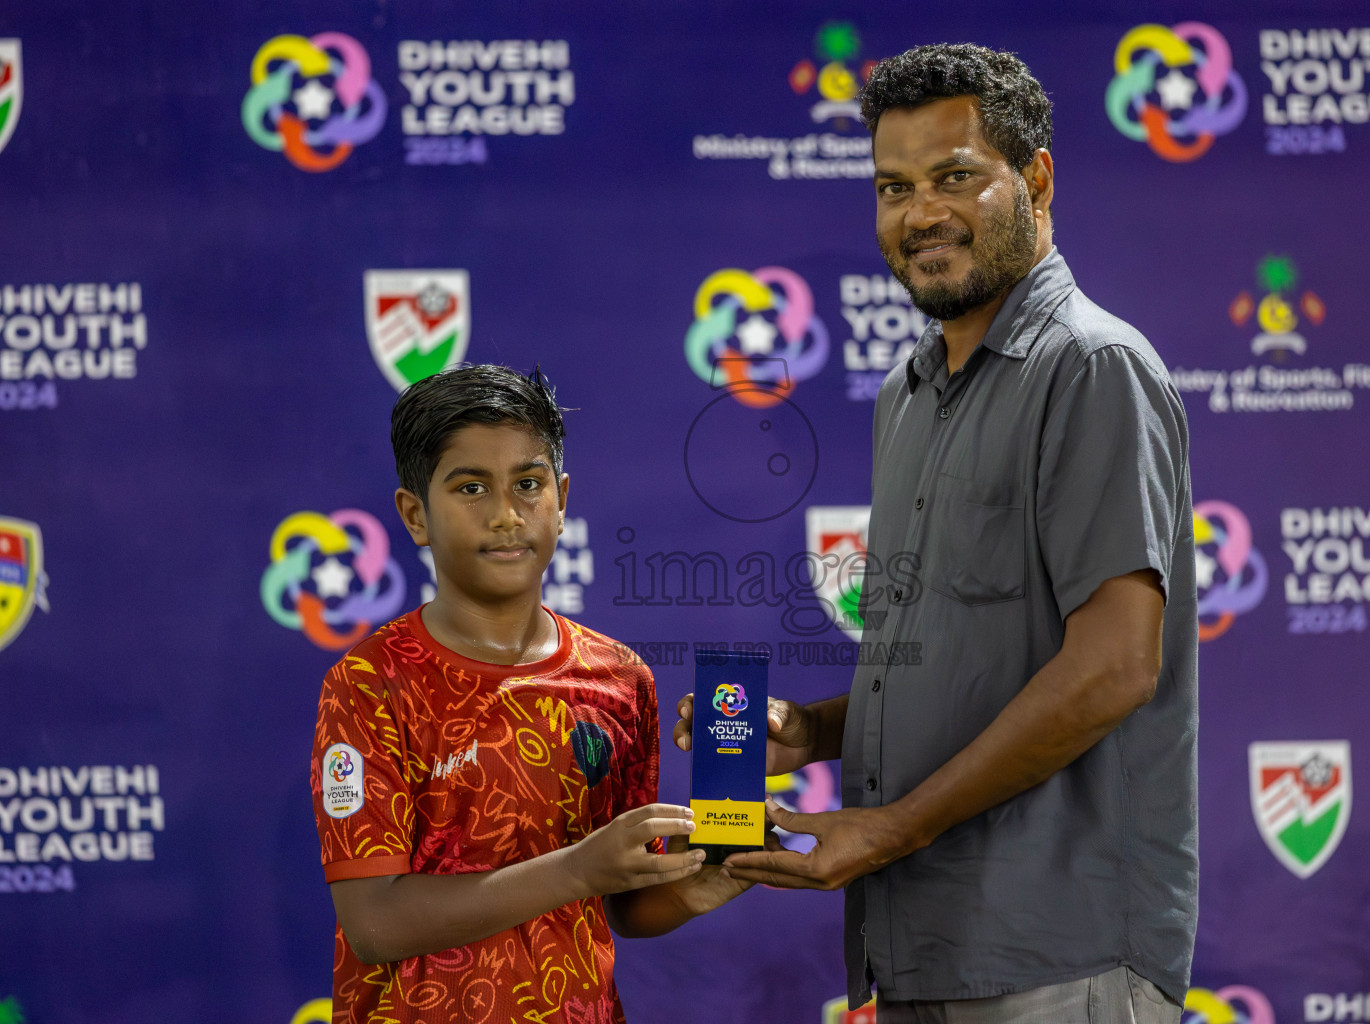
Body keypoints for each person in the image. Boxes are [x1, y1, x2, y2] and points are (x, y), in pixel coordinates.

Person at [675, 44, 1198, 1023]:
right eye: (893, 186)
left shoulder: (1091, 367)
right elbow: (968, 658)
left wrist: (884, 831)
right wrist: (810, 731)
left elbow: (1117, 665)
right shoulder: (907, 393)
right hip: (918, 949)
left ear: (1036, 178)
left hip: (1053, 947)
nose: (920, 214)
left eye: (955, 176)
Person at [312, 364, 749, 1023]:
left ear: (562, 498)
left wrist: (703, 878)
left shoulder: (619, 679)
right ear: (415, 515)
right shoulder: (372, 683)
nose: (507, 514)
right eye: (470, 488)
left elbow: (626, 903)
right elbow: (375, 923)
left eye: (528, 484)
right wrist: (576, 870)